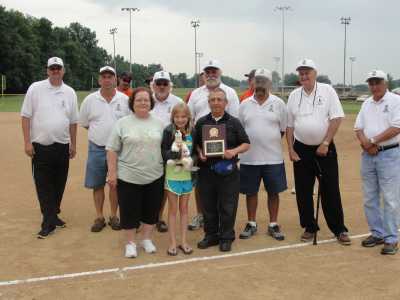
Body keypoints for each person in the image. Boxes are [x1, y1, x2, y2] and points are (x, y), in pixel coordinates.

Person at [286, 59, 351, 245]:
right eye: (301, 73)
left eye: (307, 72)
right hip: (301, 148)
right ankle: (309, 226)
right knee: (303, 191)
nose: (304, 76)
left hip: (325, 147)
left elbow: (336, 118)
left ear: (315, 73)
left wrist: (325, 142)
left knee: (330, 189)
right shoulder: (293, 95)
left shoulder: (327, 90)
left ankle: (339, 229)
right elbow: (290, 126)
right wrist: (290, 149)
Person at [21, 57, 78, 239]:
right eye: (52, 68)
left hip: (62, 146)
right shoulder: (35, 88)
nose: (55, 71)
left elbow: (73, 121)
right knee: (43, 185)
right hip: (41, 147)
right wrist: (27, 142)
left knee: (59, 184)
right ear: (47, 70)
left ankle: (53, 214)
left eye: (58, 68)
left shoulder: (69, 92)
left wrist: (73, 144)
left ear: (63, 70)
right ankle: (48, 223)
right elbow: (25, 116)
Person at [106, 87, 164, 258]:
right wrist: (112, 172)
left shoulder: (159, 123)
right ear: (132, 103)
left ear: (151, 102)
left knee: (151, 210)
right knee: (129, 210)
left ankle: (146, 238)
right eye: (139, 99)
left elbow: (167, 148)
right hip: (128, 175)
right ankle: (130, 243)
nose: (143, 102)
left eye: (146, 100)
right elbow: (111, 149)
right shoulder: (122, 123)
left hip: (154, 175)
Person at [193, 88, 250, 252]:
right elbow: (196, 143)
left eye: (219, 99)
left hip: (228, 171)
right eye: (213, 100)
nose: (216, 102)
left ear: (226, 103)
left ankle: (226, 237)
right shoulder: (202, 122)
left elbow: (246, 143)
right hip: (206, 171)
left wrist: (233, 151)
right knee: (208, 206)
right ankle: (211, 235)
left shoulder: (234, 122)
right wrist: (200, 152)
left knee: (228, 206)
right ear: (208, 103)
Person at [187, 59, 240, 231]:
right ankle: (202, 215)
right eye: (207, 72)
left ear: (220, 72)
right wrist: (197, 148)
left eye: (213, 71)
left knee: (223, 185)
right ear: (203, 74)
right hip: (202, 147)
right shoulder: (195, 93)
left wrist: (231, 149)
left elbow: (235, 120)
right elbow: (190, 119)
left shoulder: (230, 92)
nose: (211, 75)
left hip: (224, 148)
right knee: (202, 184)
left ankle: (221, 222)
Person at [238, 68, 287, 241]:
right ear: (252, 83)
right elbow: (240, 130)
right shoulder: (244, 104)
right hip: (249, 158)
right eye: (257, 81)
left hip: (273, 157)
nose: (260, 85)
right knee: (251, 192)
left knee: (273, 192)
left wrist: (267, 139)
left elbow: (282, 129)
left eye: (264, 81)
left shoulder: (279, 103)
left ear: (270, 84)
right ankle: (251, 223)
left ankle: (273, 224)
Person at [355, 70, 400, 255]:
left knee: (389, 198)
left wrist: (372, 141)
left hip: (389, 154)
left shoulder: (396, 101)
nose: (374, 86)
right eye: (371, 83)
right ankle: (377, 232)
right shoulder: (366, 103)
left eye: (377, 82)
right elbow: (358, 128)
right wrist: (366, 144)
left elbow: (396, 127)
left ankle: (391, 238)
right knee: (370, 197)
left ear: (385, 83)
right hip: (368, 155)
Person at [79, 66, 130, 232]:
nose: (107, 79)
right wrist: (100, 135)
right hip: (97, 147)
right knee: (97, 184)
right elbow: (86, 123)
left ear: (115, 79)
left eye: (110, 76)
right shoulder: (90, 100)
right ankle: (99, 216)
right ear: (99, 80)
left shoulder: (124, 100)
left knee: (115, 184)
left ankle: (113, 216)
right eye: (104, 77)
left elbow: (129, 122)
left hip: (119, 150)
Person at [150, 70, 183, 232]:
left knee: (164, 185)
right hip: (147, 149)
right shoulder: (145, 100)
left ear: (170, 85)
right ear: (153, 85)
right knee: (146, 183)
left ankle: (158, 217)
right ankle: (143, 217)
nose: (162, 86)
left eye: (165, 83)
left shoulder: (177, 102)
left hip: (169, 150)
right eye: (159, 83)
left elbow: (186, 124)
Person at [161, 103, 194, 255]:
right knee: (173, 210)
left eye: (183, 117)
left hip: (187, 175)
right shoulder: (168, 131)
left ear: (188, 118)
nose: (180, 120)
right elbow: (164, 152)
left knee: (185, 210)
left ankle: (183, 241)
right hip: (173, 175)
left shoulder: (192, 131)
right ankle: (173, 242)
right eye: (177, 117)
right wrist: (176, 156)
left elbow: (196, 150)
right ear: (173, 117)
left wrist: (191, 160)